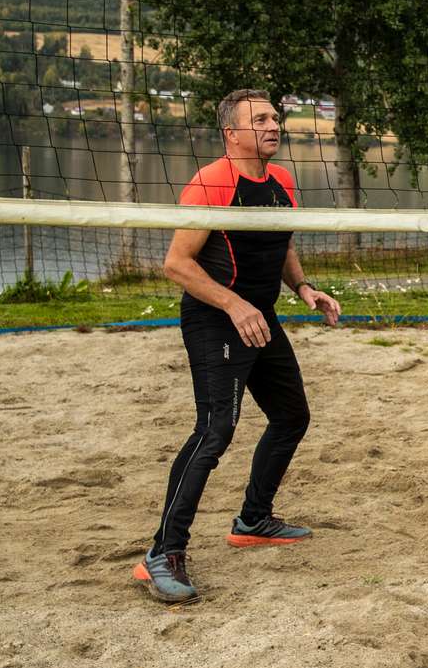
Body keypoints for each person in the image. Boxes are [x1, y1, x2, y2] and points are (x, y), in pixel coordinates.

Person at [132, 89, 341, 604]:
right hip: (215, 318)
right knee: (214, 430)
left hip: (258, 316)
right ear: (232, 132)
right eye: (262, 119)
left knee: (292, 415)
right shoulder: (210, 183)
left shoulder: (283, 181)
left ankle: (252, 519)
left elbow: (282, 244)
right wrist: (234, 305)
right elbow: (177, 265)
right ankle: (162, 553)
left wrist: (304, 289)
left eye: (276, 117)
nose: (275, 125)